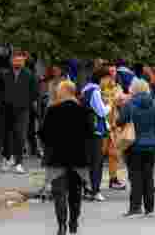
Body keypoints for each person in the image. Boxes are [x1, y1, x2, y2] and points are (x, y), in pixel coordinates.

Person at [42, 80, 92, 235]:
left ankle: (62, 225)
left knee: (59, 193)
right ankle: (74, 222)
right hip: (78, 159)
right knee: (75, 194)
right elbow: (89, 134)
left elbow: (44, 133)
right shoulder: (84, 111)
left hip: (57, 158)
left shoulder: (52, 110)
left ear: (62, 92)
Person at [118, 78, 155, 218]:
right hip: (151, 145)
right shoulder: (154, 104)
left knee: (135, 176)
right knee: (148, 177)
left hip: (134, 145)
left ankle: (135, 208)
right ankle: (150, 208)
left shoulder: (129, 104)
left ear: (133, 89)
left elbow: (120, 121)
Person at [0, 50, 39, 174]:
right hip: (6, 108)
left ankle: (19, 162)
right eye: (15, 60)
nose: (17, 62)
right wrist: (2, 100)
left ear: (24, 62)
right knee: (6, 134)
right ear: (11, 61)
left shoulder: (30, 75)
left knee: (20, 135)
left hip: (22, 110)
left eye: (20, 60)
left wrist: (27, 103)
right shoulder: (4, 74)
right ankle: (6, 159)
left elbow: (34, 92)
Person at [80, 69, 112, 202]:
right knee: (96, 162)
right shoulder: (95, 91)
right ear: (102, 78)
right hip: (95, 131)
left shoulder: (85, 90)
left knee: (86, 161)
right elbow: (101, 112)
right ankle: (95, 190)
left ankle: (86, 189)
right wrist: (110, 105)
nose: (108, 82)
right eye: (107, 79)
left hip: (85, 130)